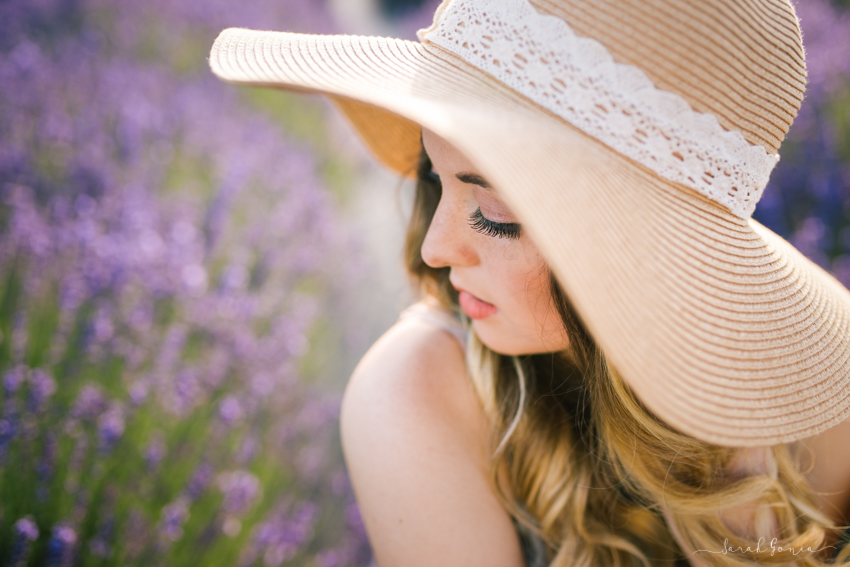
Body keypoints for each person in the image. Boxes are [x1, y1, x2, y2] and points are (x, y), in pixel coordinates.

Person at [208, 0, 850, 565]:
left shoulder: (809, 406)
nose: (435, 248)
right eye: (435, 177)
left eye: (497, 217)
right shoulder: (417, 393)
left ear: (643, 248)